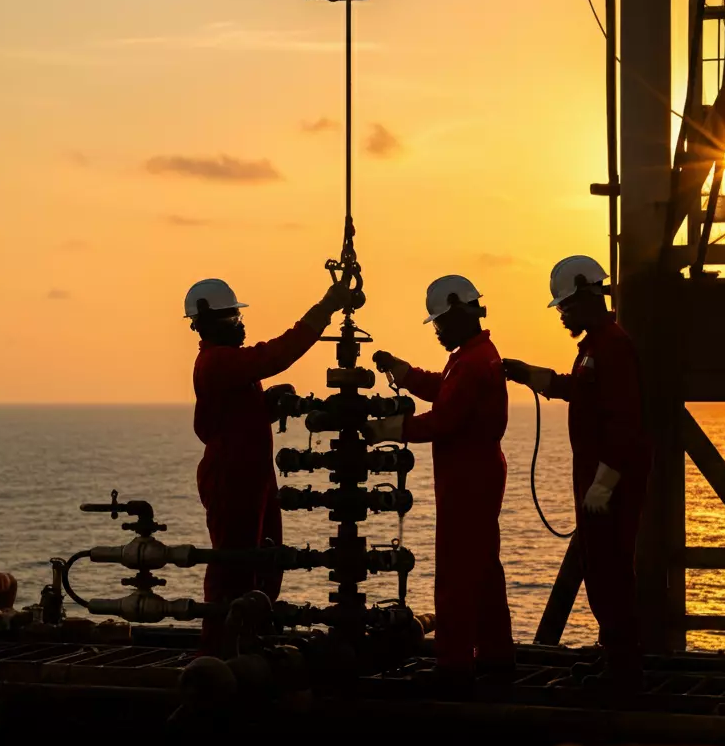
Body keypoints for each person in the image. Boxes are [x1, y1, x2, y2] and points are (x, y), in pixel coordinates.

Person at [504, 255, 650, 690]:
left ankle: (623, 669)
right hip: (594, 477)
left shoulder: (612, 347)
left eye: (566, 305)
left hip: (609, 482)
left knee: (611, 569)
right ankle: (614, 656)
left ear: (587, 295)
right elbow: (579, 392)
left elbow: (625, 421)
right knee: (600, 566)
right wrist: (531, 376)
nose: (562, 314)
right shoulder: (594, 347)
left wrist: (604, 484)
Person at [189, 276, 349, 654]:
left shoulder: (230, 365)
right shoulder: (218, 361)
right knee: (234, 565)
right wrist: (325, 308)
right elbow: (275, 355)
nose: (240, 323)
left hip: (252, 475)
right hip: (231, 477)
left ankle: (250, 638)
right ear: (208, 321)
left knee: (264, 560)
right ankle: (219, 652)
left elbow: (232, 418)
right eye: (232, 317)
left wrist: (265, 407)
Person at [366, 275, 513, 681]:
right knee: (483, 569)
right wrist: (405, 373)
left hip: (467, 478)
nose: (437, 331)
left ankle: (454, 665)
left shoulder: (471, 362)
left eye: (441, 322)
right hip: (476, 472)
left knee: (456, 570)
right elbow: (445, 391)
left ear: (458, 311)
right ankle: (496, 656)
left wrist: (389, 429)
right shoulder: (473, 355)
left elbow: (444, 419)